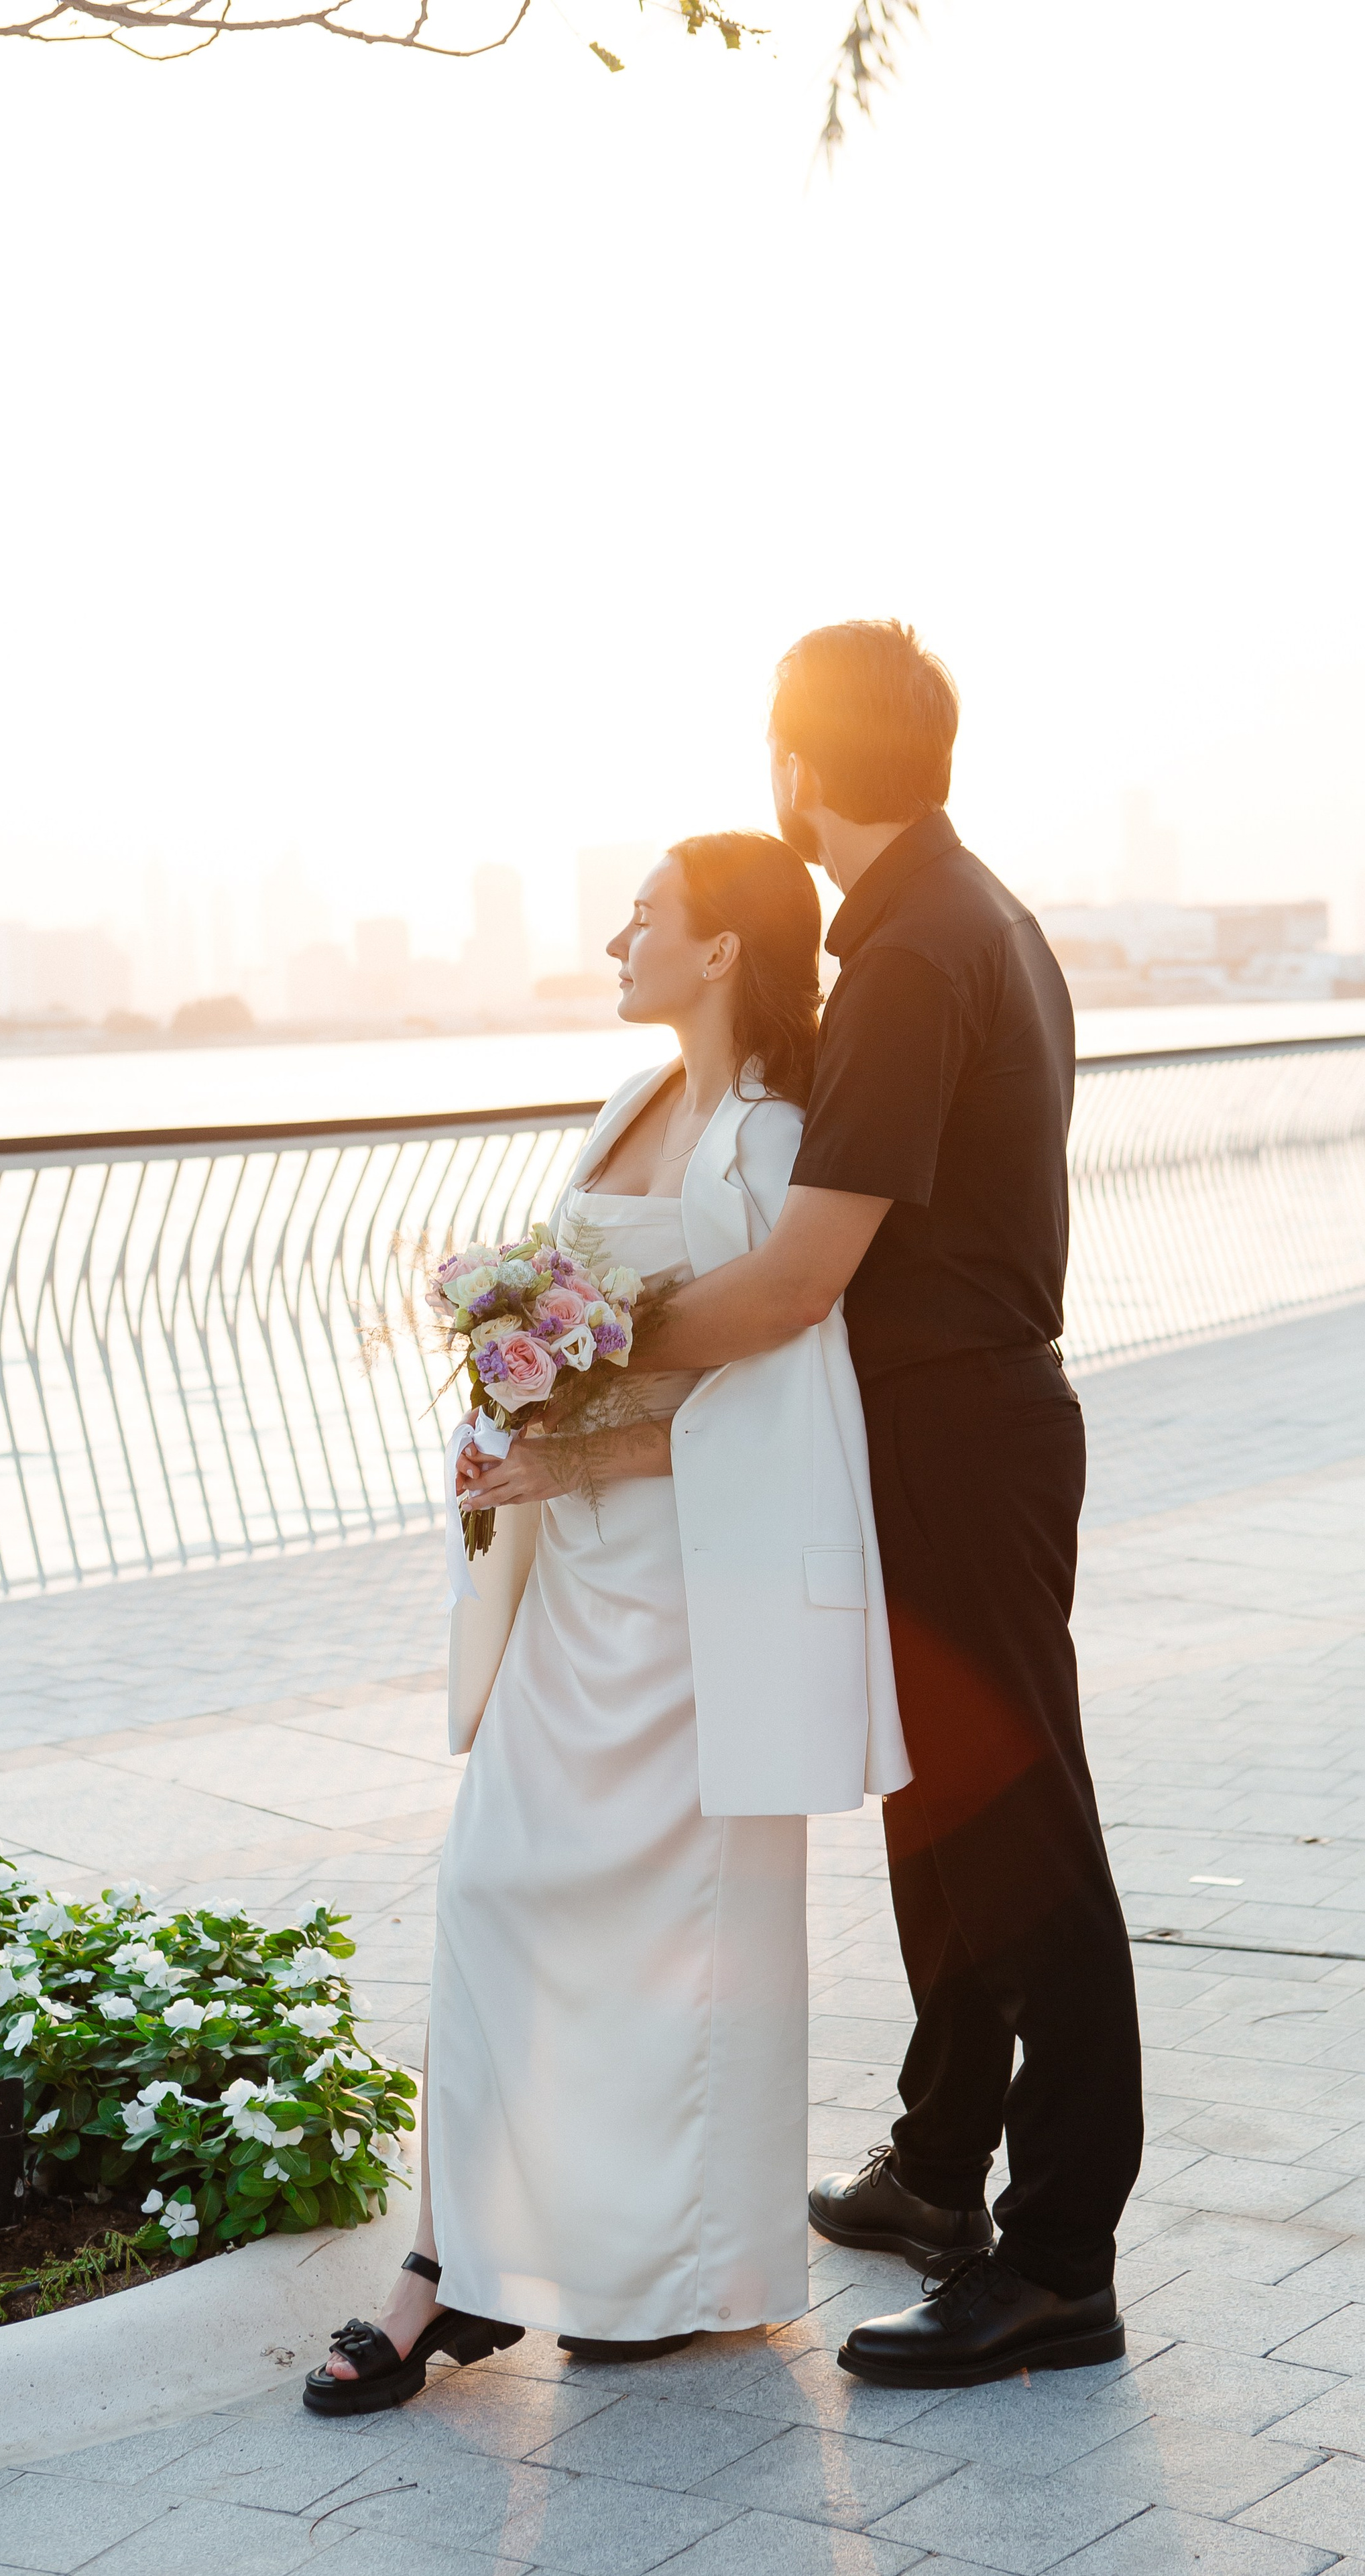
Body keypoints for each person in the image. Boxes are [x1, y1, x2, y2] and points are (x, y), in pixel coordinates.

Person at [304, 830, 908, 2416]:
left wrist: (566, 1436)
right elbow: (594, 1336)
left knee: (683, 1947)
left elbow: (773, 1395)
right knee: (493, 1889)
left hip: (696, 1600)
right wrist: (512, 1409)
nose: (616, 938)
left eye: (646, 917)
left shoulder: (774, 1134)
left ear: (720, 951)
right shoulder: (633, 1101)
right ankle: (455, 2263)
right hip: (576, 1577)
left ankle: (654, 2278)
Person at [636, 621, 1144, 2390]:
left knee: (1022, 1840)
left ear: (795, 768)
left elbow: (794, 1283)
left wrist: (582, 1351)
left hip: (956, 1426)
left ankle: (1058, 2264)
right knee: (946, 1818)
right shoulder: (966, 914)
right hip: (961, 1420)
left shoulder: (918, 953)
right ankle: (941, 2172)